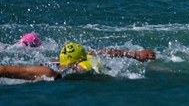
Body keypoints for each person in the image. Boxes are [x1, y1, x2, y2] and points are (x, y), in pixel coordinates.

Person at [0, 42, 156, 82]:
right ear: (80, 60)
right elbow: (7, 70)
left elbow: (103, 52)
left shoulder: (54, 63)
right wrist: (135, 54)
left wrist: (135, 54)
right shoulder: (51, 73)